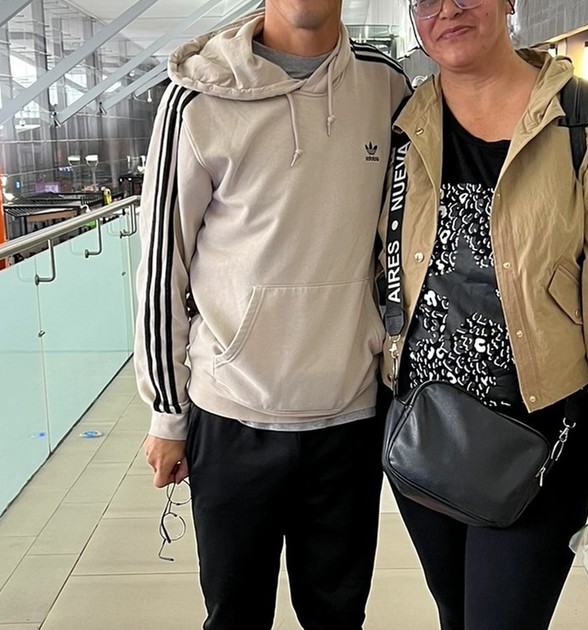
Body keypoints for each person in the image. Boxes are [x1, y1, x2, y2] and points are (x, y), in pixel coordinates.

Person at [380, 0, 588, 628]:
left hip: (543, 440)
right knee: (455, 609)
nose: (448, 10)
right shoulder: (405, 122)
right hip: (425, 429)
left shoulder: (583, 119)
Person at [133, 2, 409, 629]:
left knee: (338, 617)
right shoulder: (195, 98)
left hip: (349, 415)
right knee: (235, 616)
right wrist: (167, 412)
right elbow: (161, 268)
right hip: (233, 414)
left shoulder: (385, 85)